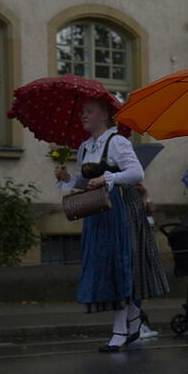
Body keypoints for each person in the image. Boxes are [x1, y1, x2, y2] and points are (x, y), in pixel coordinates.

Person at [55, 98, 145, 352]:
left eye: (89, 111)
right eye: (83, 111)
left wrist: (109, 177)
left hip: (118, 211)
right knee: (103, 264)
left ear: (105, 115)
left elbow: (137, 173)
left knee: (118, 264)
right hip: (96, 212)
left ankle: (120, 328)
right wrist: (68, 178)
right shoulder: (85, 147)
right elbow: (86, 183)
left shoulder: (118, 142)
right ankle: (134, 316)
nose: (84, 115)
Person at [124, 181, 170, 335]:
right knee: (135, 281)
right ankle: (132, 324)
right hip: (135, 238)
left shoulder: (135, 188)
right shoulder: (124, 189)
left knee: (139, 282)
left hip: (143, 236)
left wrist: (145, 195)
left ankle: (135, 323)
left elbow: (150, 209)